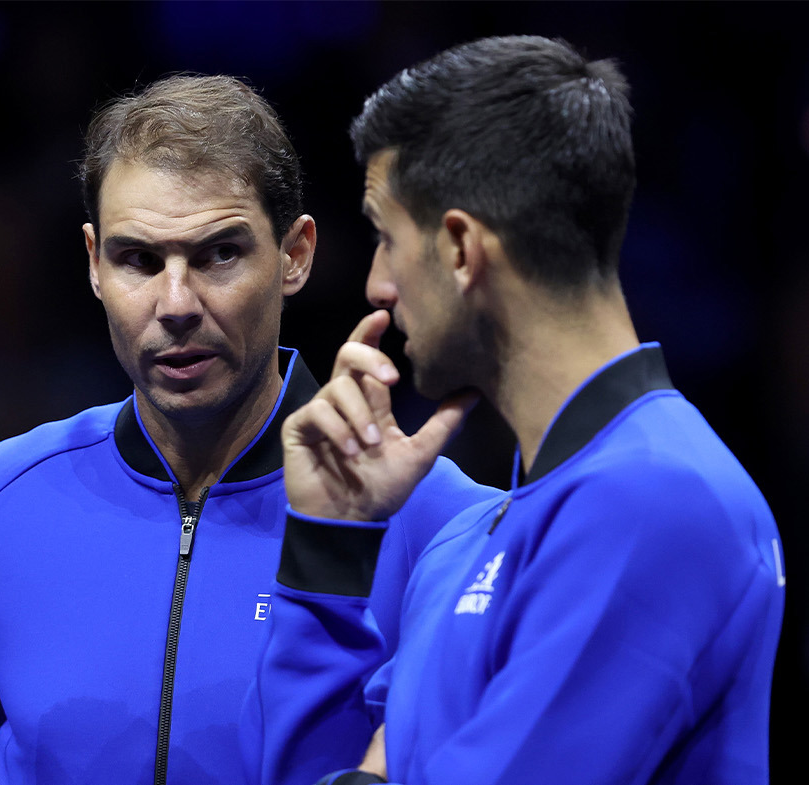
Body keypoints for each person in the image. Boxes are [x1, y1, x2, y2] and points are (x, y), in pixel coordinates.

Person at [0, 75, 493, 785]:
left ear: (295, 254)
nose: (177, 303)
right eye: (140, 259)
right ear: (94, 263)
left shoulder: (444, 524)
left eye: (220, 253)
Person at [262, 36, 785, 784]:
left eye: (386, 236)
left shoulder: (658, 498)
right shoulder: (466, 540)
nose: (376, 284)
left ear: (461, 249)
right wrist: (328, 544)